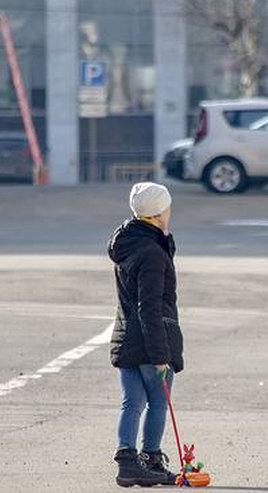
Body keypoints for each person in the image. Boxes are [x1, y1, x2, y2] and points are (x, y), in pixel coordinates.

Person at [108, 182, 183, 488]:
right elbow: (149, 306)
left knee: (131, 402)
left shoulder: (128, 242)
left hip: (126, 337)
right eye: (167, 207)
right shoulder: (152, 253)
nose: (170, 211)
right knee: (157, 401)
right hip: (150, 339)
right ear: (157, 213)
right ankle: (150, 457)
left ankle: (128, 462)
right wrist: (161, 354)